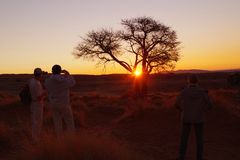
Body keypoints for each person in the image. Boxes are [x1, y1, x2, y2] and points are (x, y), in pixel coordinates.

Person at [175, 74, 212, 160]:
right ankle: (199, 157)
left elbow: (176, 104)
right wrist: (203, 110)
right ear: (197, 81)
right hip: (199, 118)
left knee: (184, 138)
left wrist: (182, 110)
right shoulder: (202, 92)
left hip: (186, 117)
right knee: (199, 139)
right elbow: (210, 105)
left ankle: (181, 156)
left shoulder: (184, 91)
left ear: (188, 81)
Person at [44, 64, 75, 137]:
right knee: (69, 122)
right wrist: (68, 74)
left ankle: (59, 140)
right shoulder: (64, 80)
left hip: (53, 103)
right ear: (60, 71)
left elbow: (46, 87)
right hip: (64, 104)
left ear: (52, 71)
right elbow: (73, 83)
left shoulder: (48, 81)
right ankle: (72, 139)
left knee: (57, 123)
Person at [29, 68, 46, 142]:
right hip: (37, 104)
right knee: (38, 121)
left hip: (32, 103)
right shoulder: (37, 84)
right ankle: (36, 139)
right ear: (40, 75)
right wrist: (45, 93)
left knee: (34, 121)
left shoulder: (31, 81)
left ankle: (34, 137)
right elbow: (39, 97)